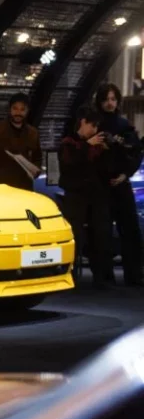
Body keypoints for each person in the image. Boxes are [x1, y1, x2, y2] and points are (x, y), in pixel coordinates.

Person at [94, 82, 143, 286]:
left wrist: (125, 175)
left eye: (113, 99)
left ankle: (133, 274)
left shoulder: (124, 125)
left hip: (120, 182)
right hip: (100, 184)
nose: (109, 103)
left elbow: (136, 152)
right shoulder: (93, 124)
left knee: (130, 229)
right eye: (106, 99)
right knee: (102, 231)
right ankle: (105, 276)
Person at [59, 105, 111, 289]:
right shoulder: (69, 143)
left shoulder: (96, 145)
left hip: (95, 195)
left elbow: (105, 169)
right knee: (76, 235)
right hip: (76, 194)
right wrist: (87, 146)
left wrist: (107, 150)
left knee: (100, 234)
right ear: (83, 122)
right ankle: (70, 275)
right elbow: (68, 164)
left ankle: (100, 276)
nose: (95, 131)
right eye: (93, 126)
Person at [0, 92, 42, 189]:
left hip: (24, 186)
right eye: (15, 108)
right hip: (1, 185)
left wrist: (34, 171)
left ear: (27, 111)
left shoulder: (33, 133)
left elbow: (37, 157)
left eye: (22, 109)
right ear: (9, 109)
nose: (18, 113)